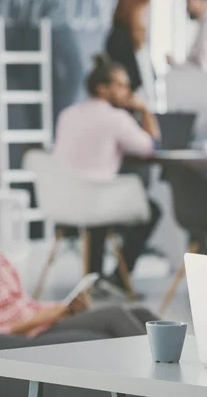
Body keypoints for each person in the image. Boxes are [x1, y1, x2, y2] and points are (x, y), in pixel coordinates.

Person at [0, 169, 159, 338]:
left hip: (41, 324)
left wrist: (62, 308)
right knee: (115, 315)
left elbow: (23, 304)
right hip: (19, 340)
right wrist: (45, 318)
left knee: (141, 313)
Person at [53, 54, 161, 291]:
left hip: (61, 202)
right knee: (151, 210)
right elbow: (151, 147)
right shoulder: (116, 118)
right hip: (95, 202)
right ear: (102, 89)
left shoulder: (67, 115)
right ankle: (119, 279)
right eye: (120, 85)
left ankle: (95, 278)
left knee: (98, 203)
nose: (127, 91)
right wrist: (144, 110)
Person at [106, 0, 157, 110]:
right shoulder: (118, 39)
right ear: (132, 10)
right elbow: (126, 81)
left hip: (143, 109)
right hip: (128, 111)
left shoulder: (139, 41)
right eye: (143, 11)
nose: (146, 17)